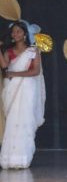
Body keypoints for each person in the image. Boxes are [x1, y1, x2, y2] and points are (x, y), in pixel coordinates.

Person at [0, 21, 45, 169]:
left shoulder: (33, 51)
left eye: (19, 31)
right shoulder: (9, 51)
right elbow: (5, 67)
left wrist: (16, 74)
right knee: (12, 123)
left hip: (27, 89)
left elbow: (35, 71)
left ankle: (23, 159)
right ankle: (9, 159)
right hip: (12, 90)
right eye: (13, 32)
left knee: (25, 123)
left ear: (25, 34)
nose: (15, 34)